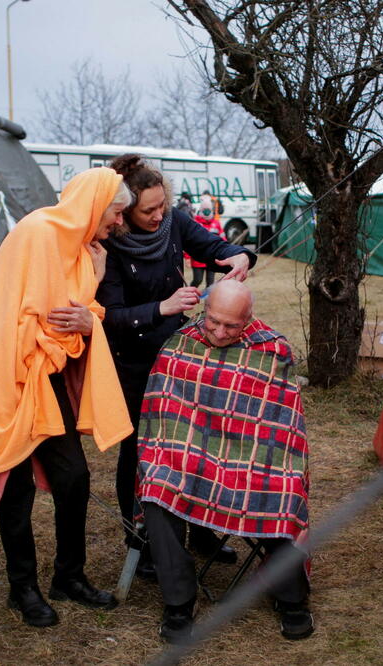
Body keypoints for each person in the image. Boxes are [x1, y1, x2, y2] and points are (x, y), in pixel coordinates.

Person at [0, 167, 134, 628]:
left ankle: (69, 576)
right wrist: (82, 317)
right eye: (116, 212)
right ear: (95, 204)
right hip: (6, 376)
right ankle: (23, 587)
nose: (118, 223)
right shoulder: (39, 231)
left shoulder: (82, 251)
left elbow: (74, 318)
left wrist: (95, 285)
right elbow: (48, 322)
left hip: (45, 380)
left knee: (74, 478)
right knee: (15, 490)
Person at [96, 154, 256, 572]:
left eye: (162, 205)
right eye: (148, 210)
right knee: (140, 452)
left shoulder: (173, 223)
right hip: (131, 362)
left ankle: (202, 529)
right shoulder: (108, 244)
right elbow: (110, 316)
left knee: (196, 442)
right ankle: (143, 544)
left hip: (180, 357)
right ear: (125, 211)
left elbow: (214, 246)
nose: (158, 215)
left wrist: (239, 257)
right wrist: (163, 306)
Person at [137, 280, 313, 643]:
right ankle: (179, 603)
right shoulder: (181, 343)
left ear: (248, 319)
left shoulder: (272, 349)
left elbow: (280, 422)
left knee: (280, 490)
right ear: (204, 311)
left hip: (252, 454)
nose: (218, 332)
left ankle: (292, 599)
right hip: (190, 452)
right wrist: (174, 453)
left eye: (231, 326)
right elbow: (163, 415)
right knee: (157, 489)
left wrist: (265, 463)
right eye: (212, 321)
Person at [188, 211, 226, 289]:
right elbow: (188, 241)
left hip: (211, 258)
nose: (207, 212)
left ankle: (209, 300)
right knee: (198, 280)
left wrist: (224, 251)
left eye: (208, 209)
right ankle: (189, 295)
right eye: (205, 209)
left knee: (210, 282)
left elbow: (222, 238)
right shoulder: (195, 223)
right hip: (197, 259)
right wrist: (187, 257)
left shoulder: (216, 223)